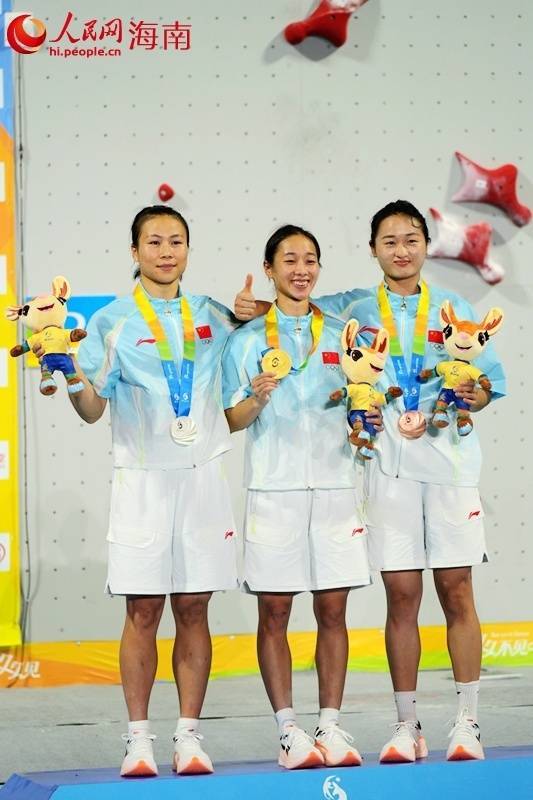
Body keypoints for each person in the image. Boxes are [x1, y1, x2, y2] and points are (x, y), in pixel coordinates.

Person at [234, 201, 506, 763]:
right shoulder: (352, 308)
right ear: (373, 250)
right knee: (401, 596)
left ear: (426, 245)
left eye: (411, 239)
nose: (401, 250)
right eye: (389, 241)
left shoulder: (455, 308)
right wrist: (251, 309)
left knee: (457, 589)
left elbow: (485, 384)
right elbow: (294, 309)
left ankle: (468, 722)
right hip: (385, 468)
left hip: (451, 464)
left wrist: (474, 395)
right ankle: (407, 725)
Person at [53, 206, 240, 777]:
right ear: (135, 252)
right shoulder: (111, 322)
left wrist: (256, 313)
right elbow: (92, 410)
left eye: (176, 241)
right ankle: (138, 741)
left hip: (203, 478)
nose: (166, 252)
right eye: (154, 242)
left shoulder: (214, 315)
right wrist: (71, 376)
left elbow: (254, 349)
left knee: (195, 607)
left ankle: (189, 737)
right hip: (141, 481)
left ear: (188, 249)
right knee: (142, 611)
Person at [223, 224, 374, 770]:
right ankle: (288, 730)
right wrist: (257, 398)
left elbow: (363, 399)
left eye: (310, 259)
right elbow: (231, 419)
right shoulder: (245, 341)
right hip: (274, 488)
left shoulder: (340, 333)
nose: (301, 269)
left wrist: (365, 422)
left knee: (334, 609)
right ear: (269, 269)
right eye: (289, 259)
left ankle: (329, 725)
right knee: (275, 611)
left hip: (336, 487)